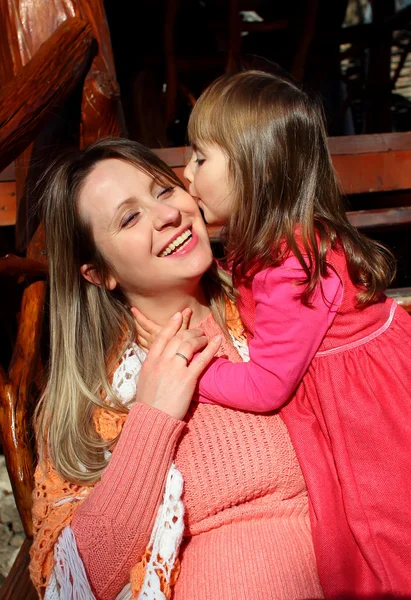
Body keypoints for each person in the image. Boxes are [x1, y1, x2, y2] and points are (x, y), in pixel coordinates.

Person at [135, 69, 411, 598]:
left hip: (370, 407)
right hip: (367, 383)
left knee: (381, 532)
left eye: (199, 156)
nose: (185, 173)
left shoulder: (293, 265)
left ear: (253, 168)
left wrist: (193, 368)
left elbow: (266, 386)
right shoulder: (273, 244)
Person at [29, 137, 325, 600]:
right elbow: (71, 586)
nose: (167, 215)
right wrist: (151, 418)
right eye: (130, 217)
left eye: (164, 191)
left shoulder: (282, 302)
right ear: (97, 273)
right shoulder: (98, 400)